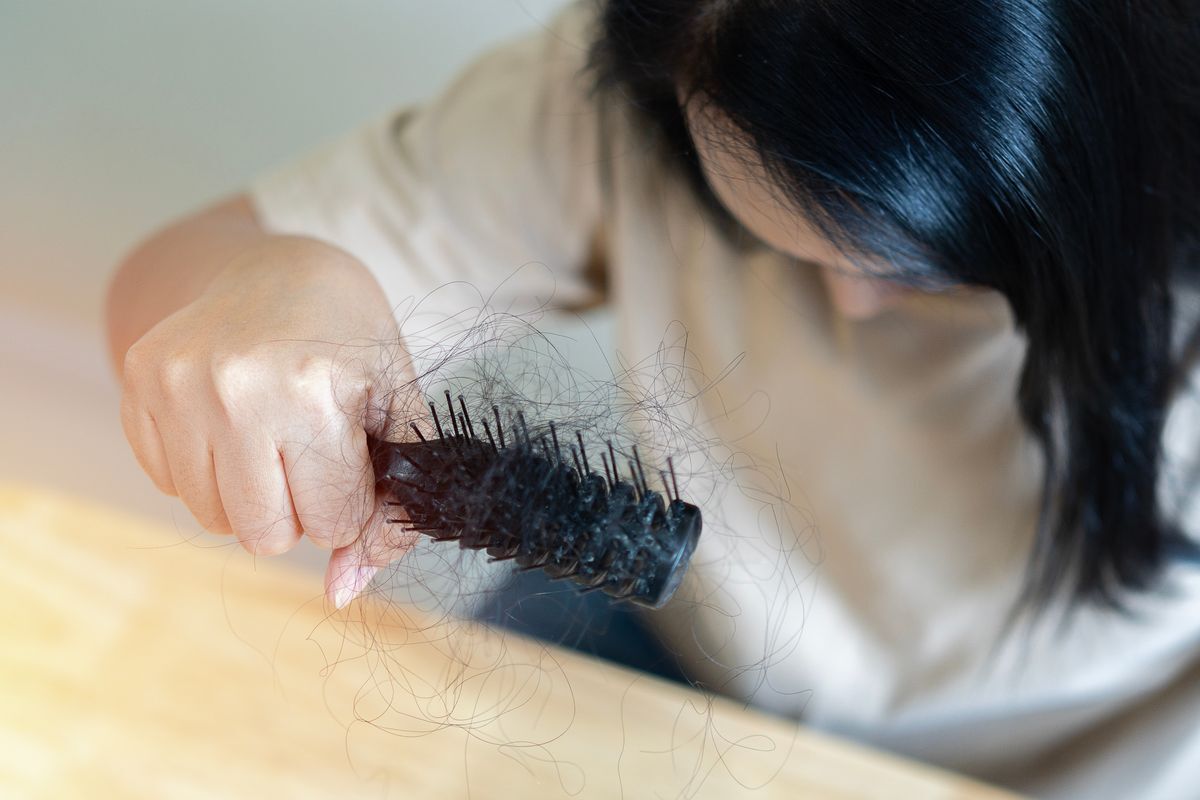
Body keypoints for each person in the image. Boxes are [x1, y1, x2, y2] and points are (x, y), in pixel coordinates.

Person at [105, 1, 1199, 797]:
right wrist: (262, 292)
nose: (853, 308)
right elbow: (187, 275)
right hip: (665, 661)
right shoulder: (647, 76)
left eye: (924, 269)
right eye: (782, 241)